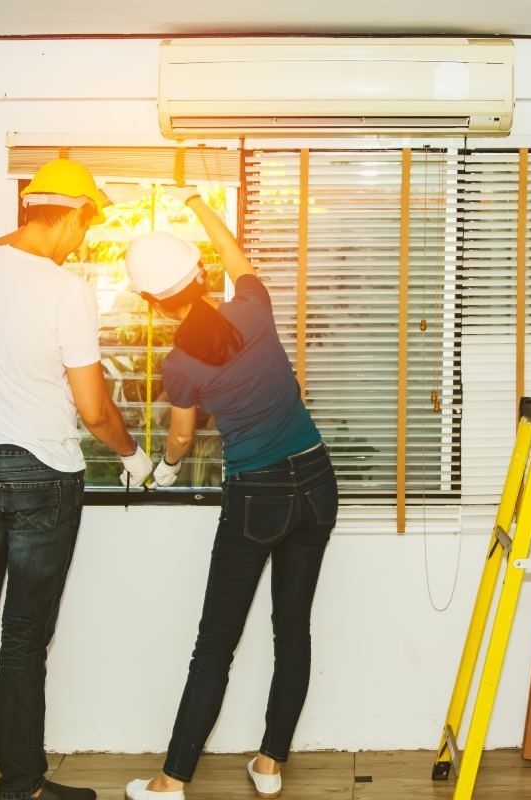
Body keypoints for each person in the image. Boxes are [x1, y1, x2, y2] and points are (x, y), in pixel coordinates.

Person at [0, 158, 156, 800]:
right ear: (75, 214)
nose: (85, 240)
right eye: (87, 224)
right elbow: (92, 408)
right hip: (41, 473)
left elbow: (6, 265)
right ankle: (23, 781)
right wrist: (134, 457)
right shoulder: (64, 291)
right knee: (25, 632)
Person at [122, 185, 338, 800]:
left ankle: (172, 780)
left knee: (215, 642)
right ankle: (269, 767)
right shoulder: (252, 307)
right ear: (198, 274)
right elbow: (239, 259)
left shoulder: (181, 364)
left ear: (149, 301)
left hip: (259, 495)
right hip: (317, 480)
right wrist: (199, 208)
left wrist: (161, 469)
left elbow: (182, 439)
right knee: (292, 630)